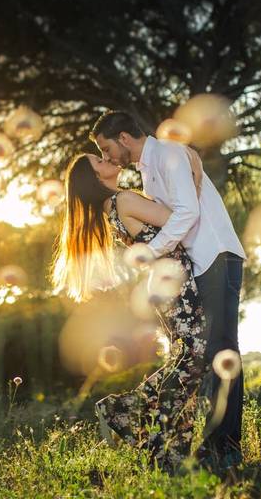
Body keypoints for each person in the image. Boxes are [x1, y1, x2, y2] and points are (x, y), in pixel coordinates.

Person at [91, 111, 247, 471]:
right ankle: (209, 446)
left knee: (223, 349)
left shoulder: (171, 155)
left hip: (216, 256)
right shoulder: (149, 170)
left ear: (125, 138)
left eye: (106, 147)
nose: (109, 156)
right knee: (208, 354)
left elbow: (187, 214)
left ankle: (224, 448)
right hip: (198, 263)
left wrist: (150, 252)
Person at [51, 150, 205, 471]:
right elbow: (182, 218)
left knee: (186, 357)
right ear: (95, 179)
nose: (109, 161)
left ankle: (161, 444)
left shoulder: (111, 209)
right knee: (193, 358)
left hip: (163, 287)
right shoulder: (124, 200)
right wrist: (195, 176)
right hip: (176, 282)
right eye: (100, 162)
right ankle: (133, 416)